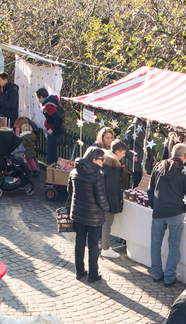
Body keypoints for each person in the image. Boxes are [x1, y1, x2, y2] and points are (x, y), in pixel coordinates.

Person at [148, 143, 186, 286]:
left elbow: (150, 190)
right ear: (185, 156)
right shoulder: (185, 172)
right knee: (173, 245)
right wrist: (185, 210)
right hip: (176, 212)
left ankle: (156, 274)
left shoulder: (158, 166)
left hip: (159, 211)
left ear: (171, 152)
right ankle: (169, 277)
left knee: (155, 244)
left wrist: (154, 206)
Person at [66, 147, 110, 283]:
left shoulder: (74, 172)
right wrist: (107, 208)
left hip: (78, 214)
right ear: (94, 160)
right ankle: (93, 275)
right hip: (94, 216)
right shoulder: (98, 175)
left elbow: (70, 191)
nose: (103, 162)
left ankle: (79, 272)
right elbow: (101, 199)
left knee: (79, 242)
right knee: (93, 244)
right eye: (102, 159)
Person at [100, 140, 130, 259]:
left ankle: (104, 245)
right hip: (109, 201)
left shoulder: (107, 163)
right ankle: (105, 248)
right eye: (123, 153)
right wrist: (115, 206)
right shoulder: (113, 167)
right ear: (117, 151)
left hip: (104, 199)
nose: (123, 155)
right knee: (107, 224)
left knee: (105, 224)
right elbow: (112, 189)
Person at [37, 88, 64, 166]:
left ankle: (52, 172)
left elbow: (59, 118)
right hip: (57, 130)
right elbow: (61, 111)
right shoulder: (53, 101)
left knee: (51, 155)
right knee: (53, 152)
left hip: (54, 132)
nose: (38, 100)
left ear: (41, 97)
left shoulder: (48, 105)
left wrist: (51, 129)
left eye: (38, 98)